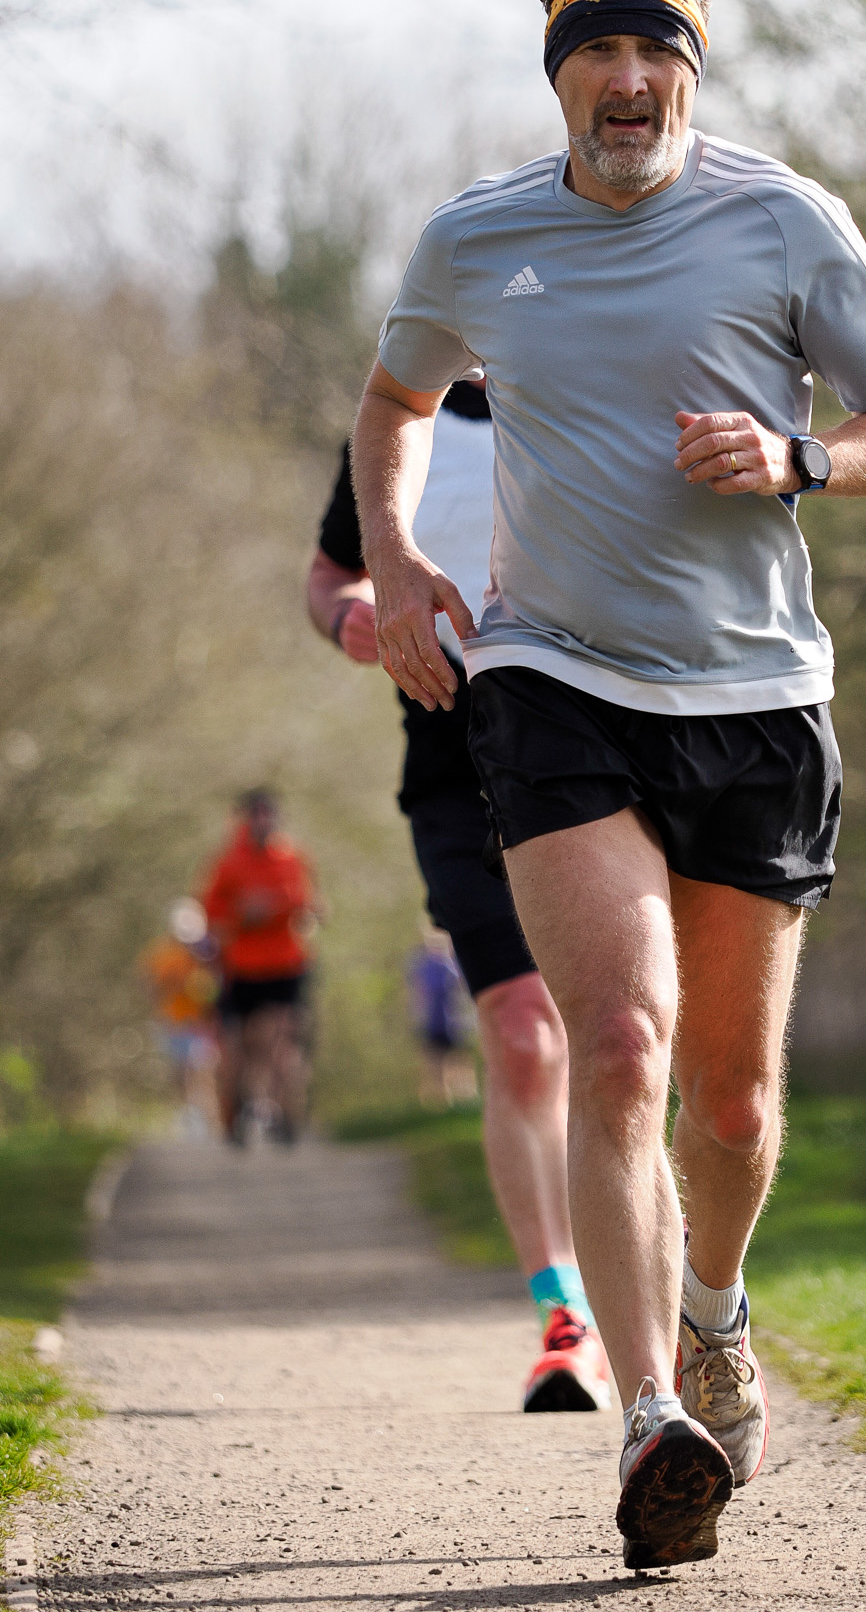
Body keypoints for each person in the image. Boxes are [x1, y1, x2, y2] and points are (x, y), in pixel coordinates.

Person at [352, 0, 866, 1570]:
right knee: (616, 1044)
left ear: (692, 61)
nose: (629, 79)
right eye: (597, 51)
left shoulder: (784, 220)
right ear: (557, 69)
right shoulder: (477, 238)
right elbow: (393, 403)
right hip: (554, 676)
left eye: (656, 49)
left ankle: (712, 1313)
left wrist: (799, 457)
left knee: (736, 1112)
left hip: (756, 700)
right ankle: (646, 1419)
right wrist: (399, 564)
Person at [306, 386, 611, 1414]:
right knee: (523, 1037)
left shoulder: (583, 386)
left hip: (591, 752)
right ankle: (563, 1310)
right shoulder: (398, 427)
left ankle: (652, 1282)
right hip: (449, 764)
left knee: (619, 1031)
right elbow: (327, 574)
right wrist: (347, 613)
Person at [200, 788, 316, 1146]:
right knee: (244, 1047)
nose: (263, 821)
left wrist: (282, 907)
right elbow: (209, 912)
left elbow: (309, 904)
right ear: (243, 819)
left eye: (269, 814)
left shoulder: (292, 858)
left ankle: (285, 1113)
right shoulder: (227, 862)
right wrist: (241, 915)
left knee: (283, 1040)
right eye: (256, 815)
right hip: (242, 968)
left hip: (287, 964)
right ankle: (237, 1106)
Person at [139, 898, 221, 1137]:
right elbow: (149, 984)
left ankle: (208, 1118)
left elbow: (217, 985)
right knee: (181, 1071)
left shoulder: (208, 951)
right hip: (173, 1022)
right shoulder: (162, 953)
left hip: (201, 1023)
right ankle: (192, 1114)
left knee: (201, 1069)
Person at [408, 924, 478, 1108]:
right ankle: (438, 1103)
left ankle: (464, 1100)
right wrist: (418, 1016)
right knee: (434, 1063)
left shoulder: (455, 962)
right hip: (433, 1021)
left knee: (459, 1062)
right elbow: (418, 994)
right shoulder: (421, 963)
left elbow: (463, 992)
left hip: (455, 1021)